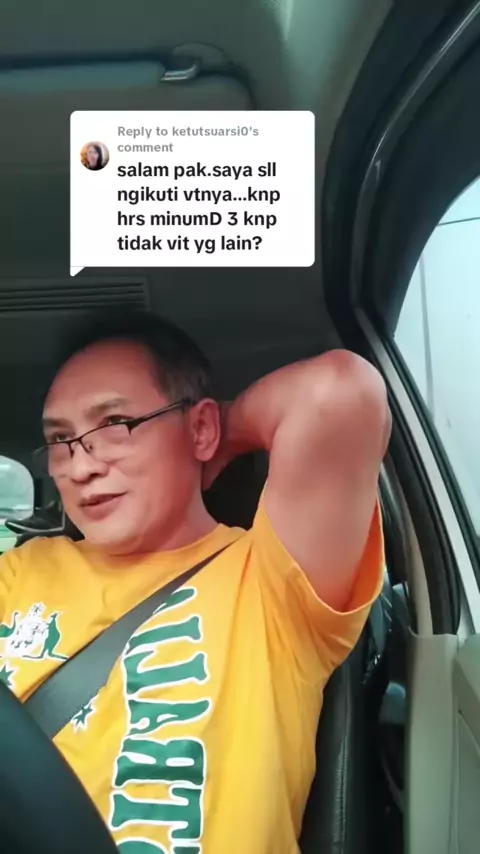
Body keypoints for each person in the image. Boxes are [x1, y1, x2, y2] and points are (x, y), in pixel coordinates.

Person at [0, 310, 390, 853]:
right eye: (61, 440)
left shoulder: (268, 583)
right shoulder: (19, 570)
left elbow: (340, 391)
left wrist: (218, 433)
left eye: (115, 425)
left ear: (201, 428)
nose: (80, 467)